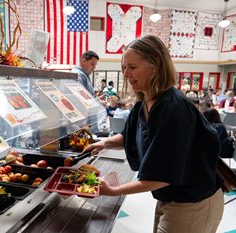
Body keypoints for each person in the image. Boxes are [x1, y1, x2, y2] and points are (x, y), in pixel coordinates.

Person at [83, 35, 224, 233]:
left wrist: (114, 191)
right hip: (168, 197)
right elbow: (129, 135)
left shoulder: (172, 108)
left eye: (132, 67)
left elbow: (163, 175)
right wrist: (103, 143)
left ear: (156, 65)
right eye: (124, 67)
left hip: (193, 201)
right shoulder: (144, 102)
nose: (125, 74)